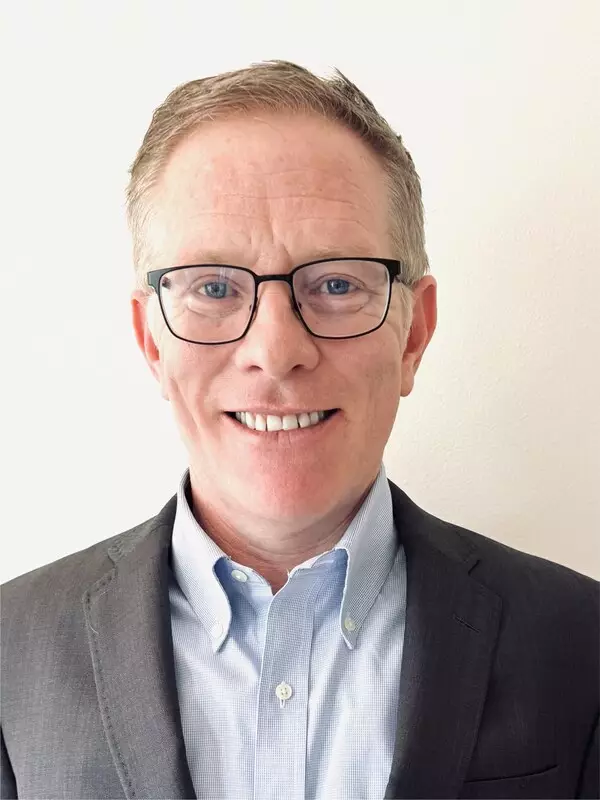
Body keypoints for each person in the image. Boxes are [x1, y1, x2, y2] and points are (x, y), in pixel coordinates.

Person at [1, 60, 597, 800]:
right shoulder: (10, 652)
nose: (277, 350)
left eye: (337, 284)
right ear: (151, 341)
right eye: (214, 287)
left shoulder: (581, 644)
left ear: (414, 335)